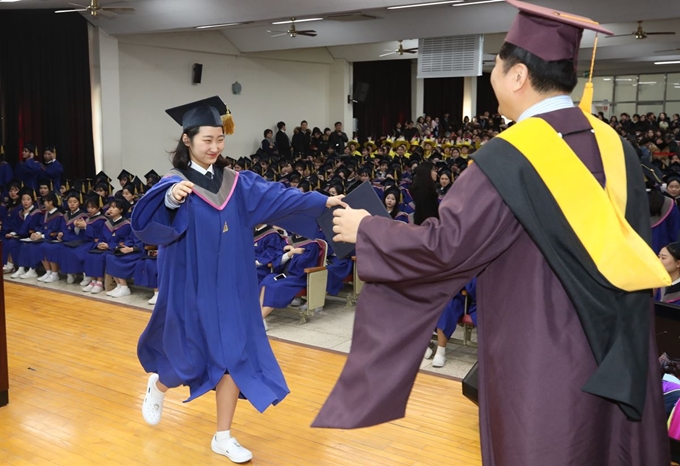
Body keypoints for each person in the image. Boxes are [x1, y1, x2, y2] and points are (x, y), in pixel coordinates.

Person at [316, 1, 672, 465]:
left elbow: (447, 247)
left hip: (543, 351)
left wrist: (369, 229)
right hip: (620, 348)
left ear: (518, 75)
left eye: (496, 68)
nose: (492, 79)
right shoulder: (616, 146)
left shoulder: (511, 156)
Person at [131, 96, 344, 464]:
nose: (214, 147)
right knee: (192, 353)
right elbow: (148, 228)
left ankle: (223, 435)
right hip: (190, 285)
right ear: (187, 141)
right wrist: (168, 200)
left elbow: (279, 196)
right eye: (206, 140)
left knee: (234, 357)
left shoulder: (236, 183)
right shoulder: (174, 183)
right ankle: (160, 383)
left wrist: (322, 201)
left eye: (219, 140)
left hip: (233, 285)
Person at [409, 161, 439, 225]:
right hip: (427, 228)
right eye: (433, 170)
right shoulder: (425, 192)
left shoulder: (425, 190)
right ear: (427, 173)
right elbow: (427, 215)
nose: (436, 173)